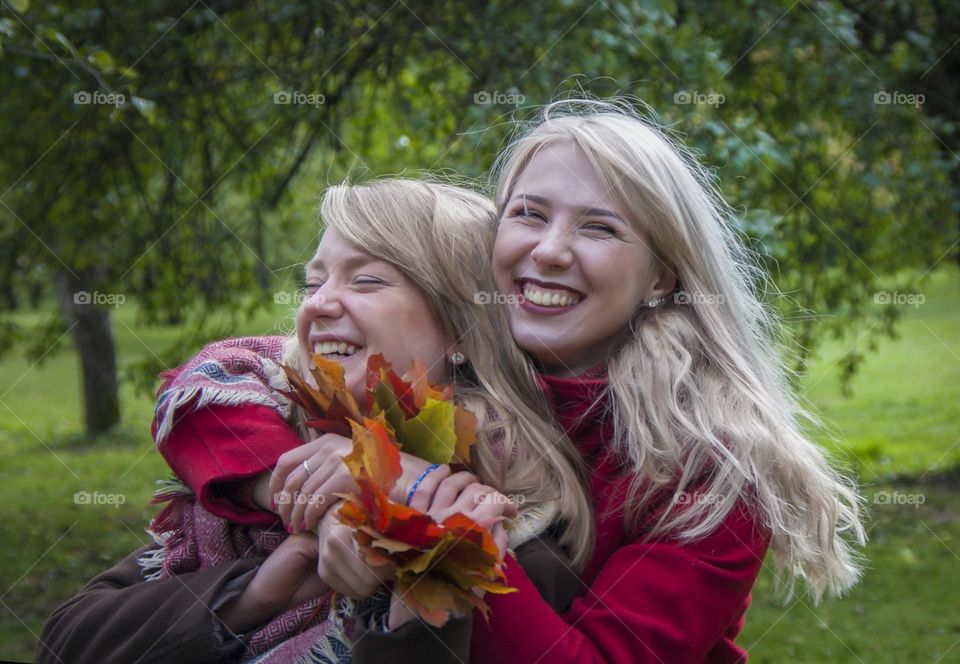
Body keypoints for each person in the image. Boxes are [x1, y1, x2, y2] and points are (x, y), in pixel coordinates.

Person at [371, 100, 867, 663]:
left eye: (599, 228)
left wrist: (450, 527)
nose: (550, 250)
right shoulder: (444, 367)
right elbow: (260, 373)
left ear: (660, 276)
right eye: (529, 214)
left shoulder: (711, 470)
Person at [37, 179, 589, 663]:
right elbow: (64, 643)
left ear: (464, 327)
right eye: (313, 282)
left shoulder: (514, 531)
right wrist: (252, 594)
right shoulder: (288, 441)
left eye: (367, 281)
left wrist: (421, 588)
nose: (317, 304)